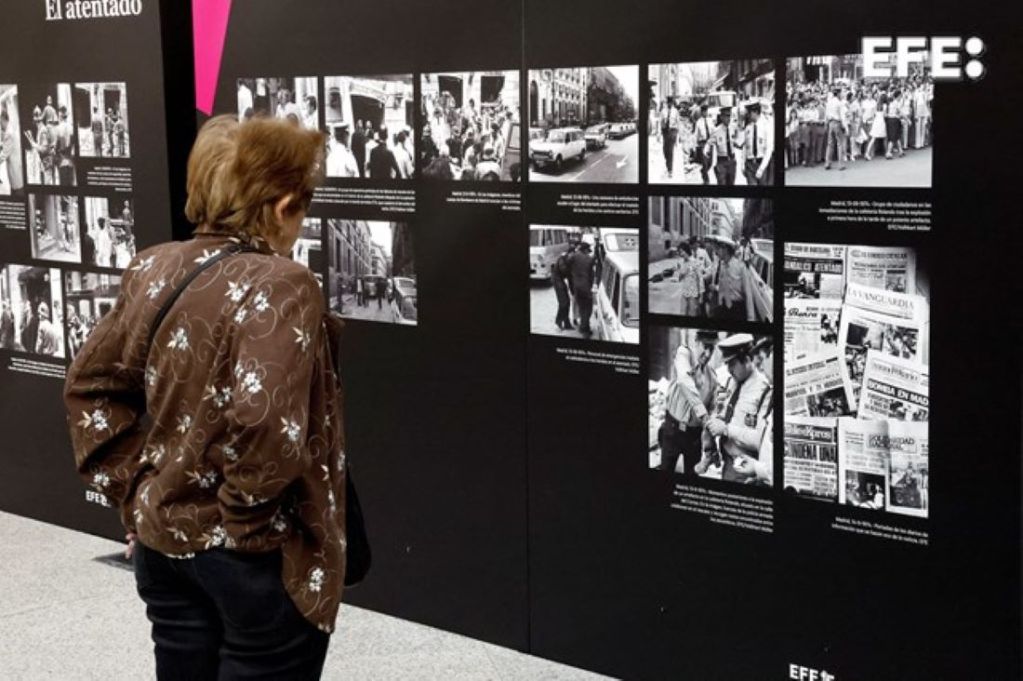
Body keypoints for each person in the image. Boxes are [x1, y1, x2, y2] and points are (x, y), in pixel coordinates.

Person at [63, 115, 346, 679]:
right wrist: (244, 524)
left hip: (161, 546)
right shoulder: (284, 283)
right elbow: (268, 425)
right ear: (284, 203)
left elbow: (90, 389)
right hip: (252, 561)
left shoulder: (151, 266)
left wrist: (139, 492)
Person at [697, 333, 772, 484]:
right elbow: (721, 409)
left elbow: (760, 440)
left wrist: (726, 429)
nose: (729, 369)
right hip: (726, 461)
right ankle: (710, 456)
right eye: (727, 364)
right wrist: (714, 420)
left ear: (746, 360)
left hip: (744, 467)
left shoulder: (765, 391)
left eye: (732, 364)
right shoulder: (731, 381)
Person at [658, 330, 719, 474]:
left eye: (712, 348)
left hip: (694, 437)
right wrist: (702, 413)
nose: (708, 353)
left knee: (691, 482)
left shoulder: (713, 377)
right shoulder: (684, 353)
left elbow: (713, 410)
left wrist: (711, 448)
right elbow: (684, 381)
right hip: (672, 429)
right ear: (696, 342)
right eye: (705, 346)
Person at [711, 239, 747, 321]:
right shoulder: (723, 266)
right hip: (724, 307)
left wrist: (750, 318)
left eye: (718, 249)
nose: (716, 252)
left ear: (726, 250)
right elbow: (722, 287)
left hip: (737, 308)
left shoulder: (740, 267)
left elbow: (747, 293)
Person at [567, 240, 595, 337]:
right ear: (586, 250)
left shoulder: (573, 256)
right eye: (588, 251)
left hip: (576, 287)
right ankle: (585, 330)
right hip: (586, 288)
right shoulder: (590, 259)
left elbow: (567, 264)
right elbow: (591, 276)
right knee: (588, 309)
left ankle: (584, 327)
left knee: (582, 308)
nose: (589, 252)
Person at [742, 101, 773, 185]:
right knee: (753, 194)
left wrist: (761, 168)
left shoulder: (766, 126)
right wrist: (743, 164)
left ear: (756, 112)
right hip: (749, 164)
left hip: (761, 163)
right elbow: (745, 147)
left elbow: (769, 149)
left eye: (749, 112)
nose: (748, 114)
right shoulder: (748, 128)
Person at [707, 108, 737, 186]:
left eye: (730, 116)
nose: (729, 118)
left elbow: (738, 141)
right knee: (721, 184)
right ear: (721, 117)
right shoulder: (716, 131)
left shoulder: (733, 128)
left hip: (732, 161)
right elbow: (709, 143)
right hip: (721, 162)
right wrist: (706, 150)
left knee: (731, 184)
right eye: (726, 116)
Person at [551, 243, 573, 330]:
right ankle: (559, 320)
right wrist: (571, 270)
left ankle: (566, 322)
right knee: (564, 302)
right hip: (557, 281)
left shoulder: (566, 259)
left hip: (560, 280)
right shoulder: (563, 258)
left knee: (566, 302)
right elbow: (564, 270)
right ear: (569, 253)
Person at [824, 88, 846, 171]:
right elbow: (842, 116)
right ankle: (840, 164)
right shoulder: (839, 103)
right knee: (840, 143)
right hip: (837, 122)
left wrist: (826, 123)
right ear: (838, 94)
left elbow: (826, 114)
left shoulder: (829, 102)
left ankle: (827, 162)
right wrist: (844, 126)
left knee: (830, 143)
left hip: (830, 123)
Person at [660, 97, 680, 179]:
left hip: (673, 131)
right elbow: (661, 122)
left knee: (670, 151)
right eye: (668, 102)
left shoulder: (675, 111)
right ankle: (667, 162)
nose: (669, 104)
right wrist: (659, 133)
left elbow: (678, 123)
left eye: (671, 102)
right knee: (665, 150)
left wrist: (678, 137)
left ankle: (670, 170)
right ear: (667, 103)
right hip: (665, 132)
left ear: (672, 103)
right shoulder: (663, 111)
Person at [693, 104, 713, 184]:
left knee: (710, 163)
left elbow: (714, 130)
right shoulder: (698, 122)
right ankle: (706, 180)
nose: (705, 113)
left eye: (706, 111)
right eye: (704, 112)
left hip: (710, 143)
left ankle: (703, 171)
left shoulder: (710, 120)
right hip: (702, 144)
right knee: (704, 163)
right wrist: (695, 147)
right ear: (701, 112)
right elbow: (695, 135)